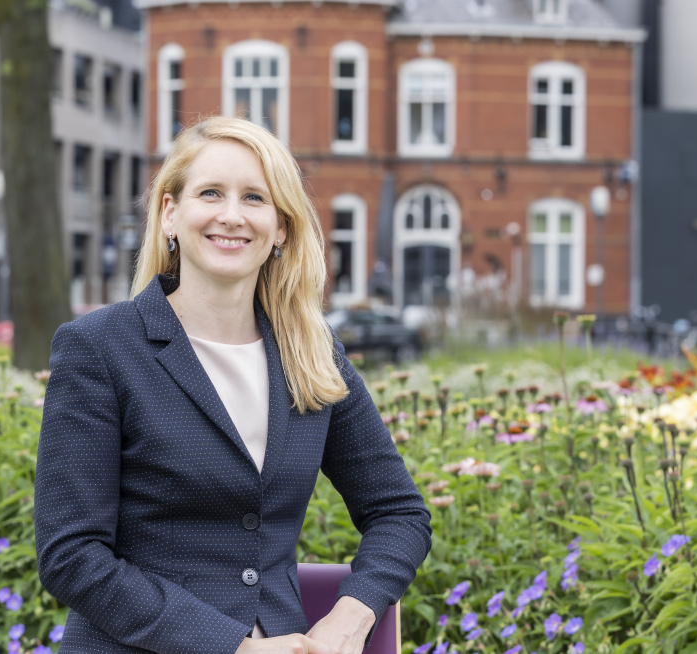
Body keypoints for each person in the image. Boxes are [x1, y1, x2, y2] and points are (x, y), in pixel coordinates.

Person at [34, 116, 432, 654]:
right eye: (211, 193)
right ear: (170, 213)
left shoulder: (311, 353)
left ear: (282, 227)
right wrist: (233, 648)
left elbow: (399, 512)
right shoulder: (100, 348)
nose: (231, 216)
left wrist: (352, 614)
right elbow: (72, 555)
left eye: (254, 198)